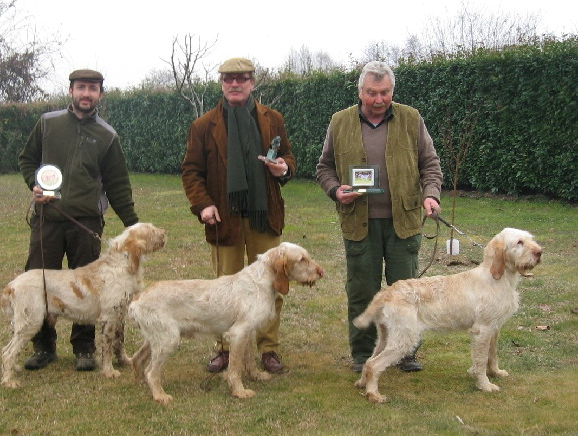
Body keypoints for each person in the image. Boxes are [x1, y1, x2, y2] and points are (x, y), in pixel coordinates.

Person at [316, 61, 443, 373]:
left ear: (392, 90)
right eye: (371, 93)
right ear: (360, 91)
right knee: (362, 291)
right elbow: (324, 167)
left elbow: (430, 163)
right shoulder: (340, 121)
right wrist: (335, 191)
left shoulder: (411, 118)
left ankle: (406, 352)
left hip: (404, 222)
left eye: (384, 92)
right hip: (359, 223)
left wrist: (431, 194)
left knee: (407, 294)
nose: (378, 99)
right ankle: (362, 355)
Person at [18, 69, 139, 372]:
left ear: (100, 94)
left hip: (86, 222)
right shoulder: (48, 123)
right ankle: (43, 346)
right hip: (47, 217)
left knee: (87, 286)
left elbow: (118, 184)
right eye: (81, 87)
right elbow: (28, 160)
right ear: (71, 90)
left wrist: (133, 225)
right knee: (41, 280)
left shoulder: (108, 136)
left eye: (93, 89)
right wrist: (35, 183)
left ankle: (84, 348)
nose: (87, 93)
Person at [182, 57, 296, 374]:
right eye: (229, 79)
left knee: (272, 285)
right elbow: (191, 172)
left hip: (265, 216)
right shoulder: (204, 126)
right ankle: (224, 348)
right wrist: (203, 204)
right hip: (224, 220)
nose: (235, 84)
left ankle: (269, 349)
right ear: (222, 83)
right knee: (223, 290)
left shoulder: (273, 119)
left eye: (242, 78)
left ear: (252, 83)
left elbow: (288, 157)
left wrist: (283, 168)